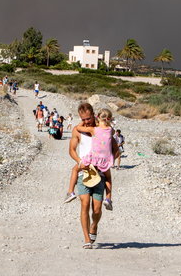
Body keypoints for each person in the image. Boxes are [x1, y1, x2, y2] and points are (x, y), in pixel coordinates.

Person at [68, 103, 117, 249]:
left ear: (93, 114)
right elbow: (71, 149)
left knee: (97, 209)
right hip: (85, 171)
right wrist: (79, 161)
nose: (87, 121)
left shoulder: (103, 129)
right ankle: (86, 239)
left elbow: (115, 148)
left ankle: (94, 225)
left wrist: (109, 161)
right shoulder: (78, 131)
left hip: (100, 172)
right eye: (84, 119)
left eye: (89, 118)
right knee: (84, 204)